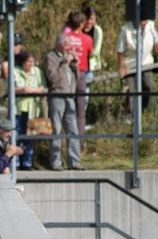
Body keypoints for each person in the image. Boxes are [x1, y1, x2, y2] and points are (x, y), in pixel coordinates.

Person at [43, 33, 85, 171]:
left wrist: (75, 67)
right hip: (57, 96)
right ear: (59, 44)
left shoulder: (69, 57)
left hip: (69, 97)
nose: (69, 47)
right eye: (66, 44)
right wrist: (64, 64)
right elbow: (53, 78)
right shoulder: (51, 58)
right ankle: (56, 162)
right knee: (56, 129)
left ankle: (74, 161)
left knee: (72, 129)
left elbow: (75, 79)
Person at [117, 19, 158, 117]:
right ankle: (129, 115)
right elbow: (120, 50)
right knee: (130, 90)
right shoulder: (125, 30)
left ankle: (146, 113)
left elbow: (157, 42)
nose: (144, 22)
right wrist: (122, 66)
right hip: (130, 65)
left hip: (146, 63)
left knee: (148, 86)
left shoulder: (150, 26)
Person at [63, 11, 93, 148]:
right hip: (80, 74)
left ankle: (66, 140)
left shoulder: (64, 37)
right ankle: (79, 143)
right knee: (81, 111)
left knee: (67, 108)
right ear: (81, 24)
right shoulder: (87, 39)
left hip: (66, 74)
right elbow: (90, 54)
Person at [14, 50, 48, 171]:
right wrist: (22, 90)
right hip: (18, 108)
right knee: (16, 134)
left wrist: (34, 90)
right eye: (29, 62)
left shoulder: (37, 72)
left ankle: (27, 162)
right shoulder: (15, 71)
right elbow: (12, 88)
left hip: (33, 108)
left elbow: (43, 87)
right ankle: (16, 162)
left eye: (33, 62)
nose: (31, 64)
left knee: (30, 136)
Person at [82, 5, 104, 109]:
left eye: (92, 19)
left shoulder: (97, 31)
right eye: (87, 18)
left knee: (85, 92)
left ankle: (82, 117)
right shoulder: (79, 28)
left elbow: (96, 50)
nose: (89, 22)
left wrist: (83, 53)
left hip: (89, 65)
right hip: (77, 65)